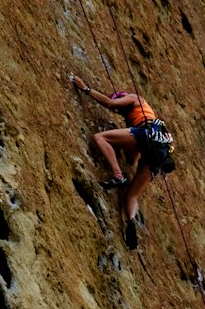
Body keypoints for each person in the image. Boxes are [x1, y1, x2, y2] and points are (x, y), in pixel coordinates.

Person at [69, 73, 175, 249]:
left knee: (99, 138)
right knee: (131, 195)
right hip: (158, 156)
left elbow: (110, 104)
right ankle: (131, 221)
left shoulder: (136, 99)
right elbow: (132, 160)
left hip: (146, 136)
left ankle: (118, 176)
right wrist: (127, 144)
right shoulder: (149, 119)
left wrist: (85, 88)